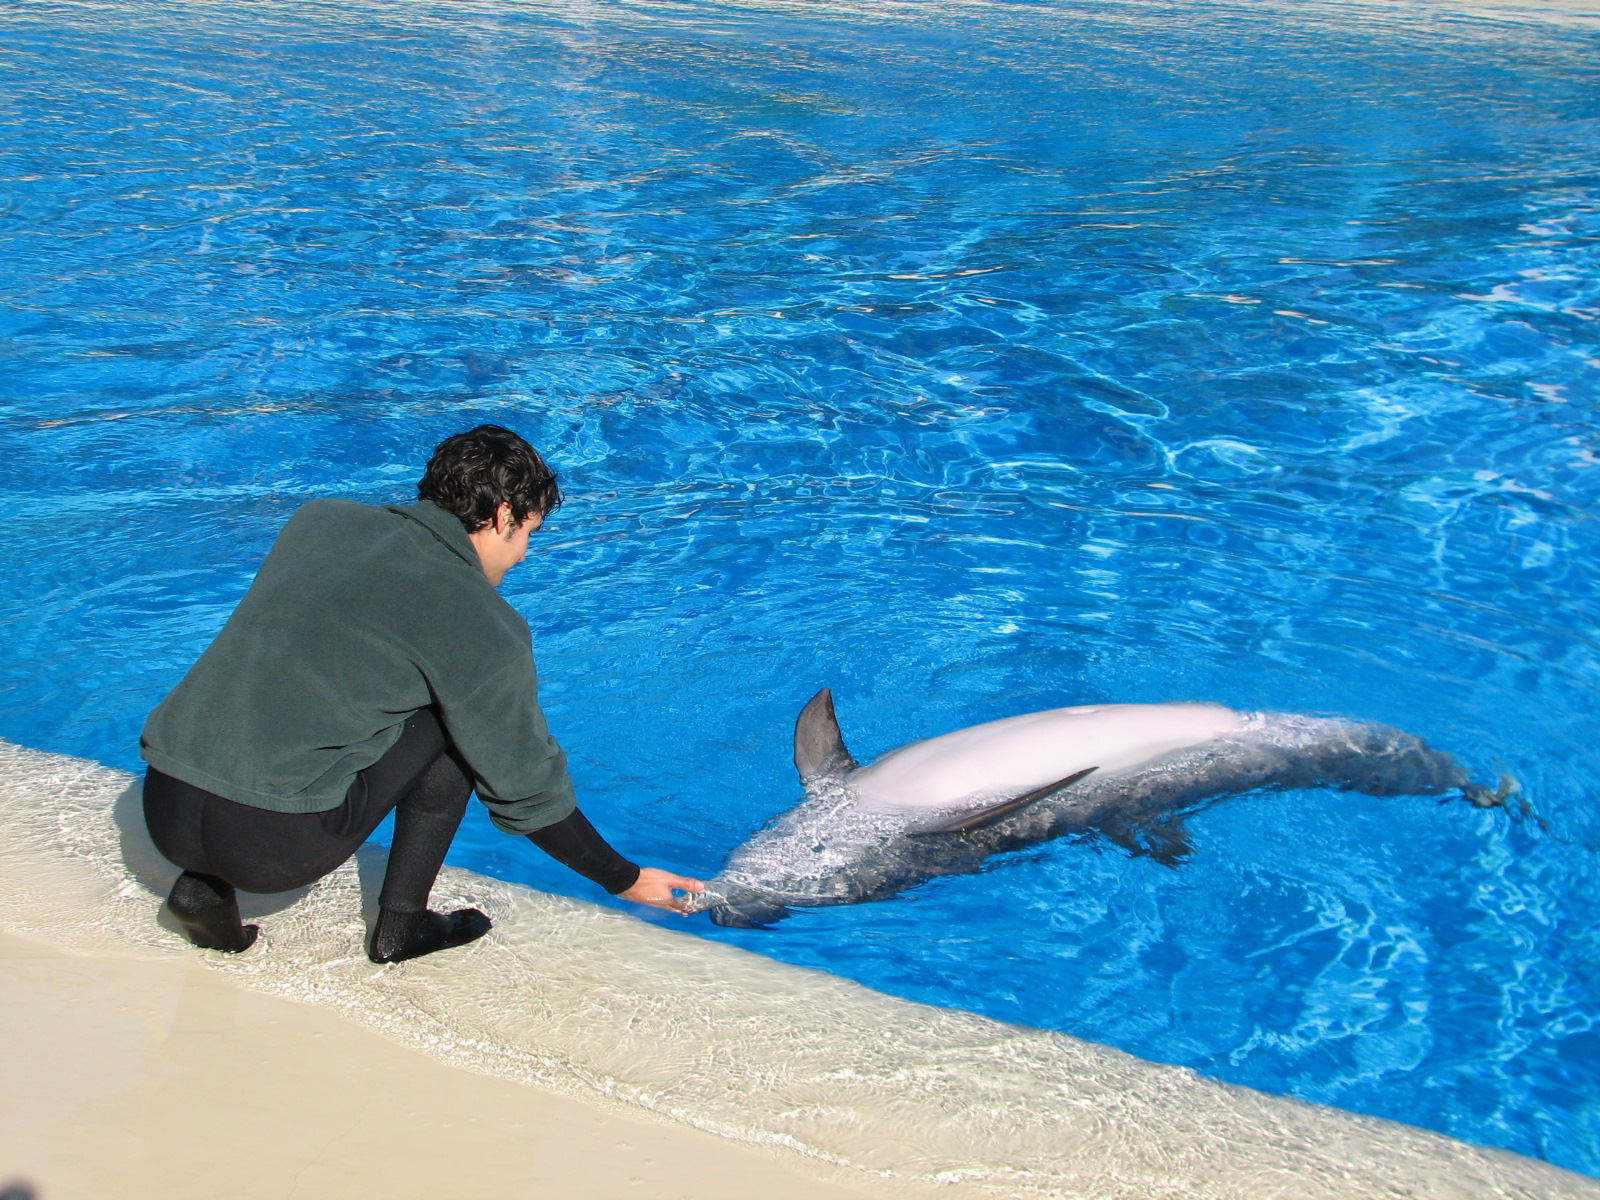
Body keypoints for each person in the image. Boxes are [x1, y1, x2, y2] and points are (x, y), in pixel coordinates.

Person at [139, 424, 703, 963]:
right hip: (271, 851)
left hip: (165, 806)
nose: (524, 554)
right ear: (503, 515)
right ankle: (401, 926)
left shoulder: (318, 522)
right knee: (458, 727)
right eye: (529, 532)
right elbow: (526, 791)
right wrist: (622, 877)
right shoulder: (482, 621)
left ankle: (204, 890)